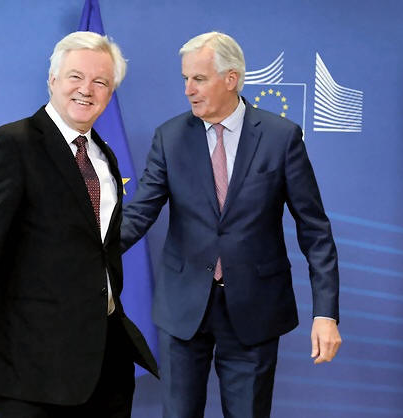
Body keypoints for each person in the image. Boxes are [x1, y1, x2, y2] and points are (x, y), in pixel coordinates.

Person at [0, 31, 158, 418]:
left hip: (105, 366)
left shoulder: (104, 157)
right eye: (76, 76)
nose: (86, 89)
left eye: (100, 81)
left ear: (110, 93)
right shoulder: (12, 144)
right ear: (52, 79)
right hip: (32, 369)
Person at [121, 31, 341, 418]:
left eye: (199, 79)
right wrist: (87, 250)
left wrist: (325, 313)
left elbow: (315, 231)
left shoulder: (281, 138)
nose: (188, 90)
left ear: (231, 79)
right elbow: (139, 212)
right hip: (182, 308)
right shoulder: (169, 137)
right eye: (185, 78)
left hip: (255, 308)